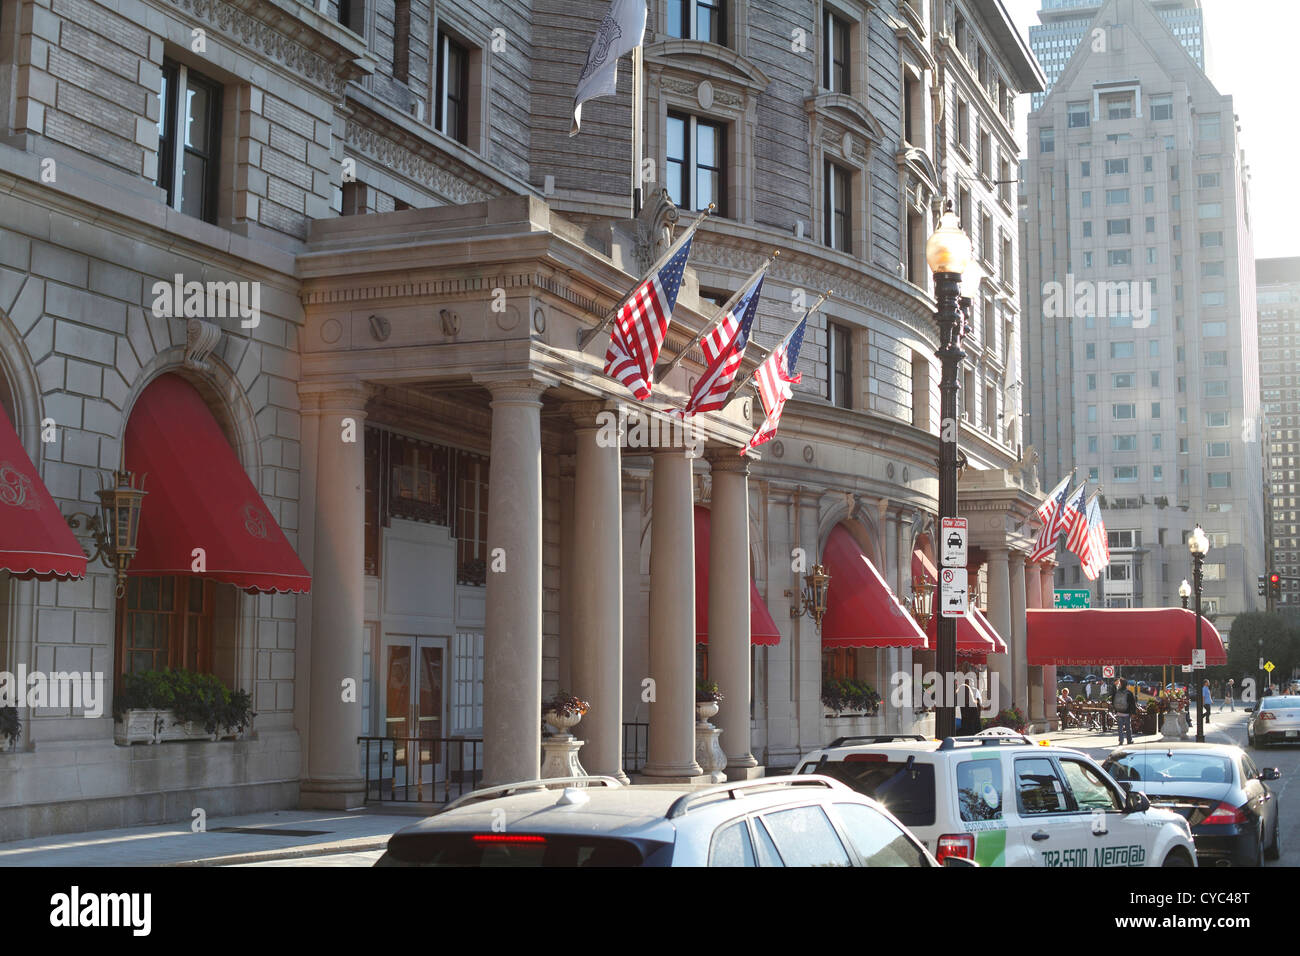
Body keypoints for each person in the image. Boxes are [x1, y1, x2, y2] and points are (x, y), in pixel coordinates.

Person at [1111, 678, 1136, 744]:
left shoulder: (1116, 692)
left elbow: (1112, 701)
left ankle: (1121, 741)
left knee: (1120, 728)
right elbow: (1132, 704)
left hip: (1119, 712)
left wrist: (1115, 709)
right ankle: (1129, 740)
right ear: (1126, 685)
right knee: (1128, 727)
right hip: (1127, 713)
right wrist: (1133, 712)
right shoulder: (1129, 693)